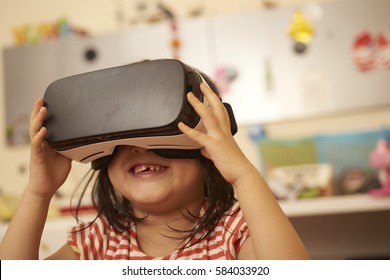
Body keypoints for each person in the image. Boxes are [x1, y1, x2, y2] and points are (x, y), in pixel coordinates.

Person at [0, 71, 310, 260]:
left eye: (159, 130)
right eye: (124, 135)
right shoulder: (100, 241)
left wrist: (243, 174)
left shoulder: (233, 230)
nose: (138, 146)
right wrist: (38, 193)